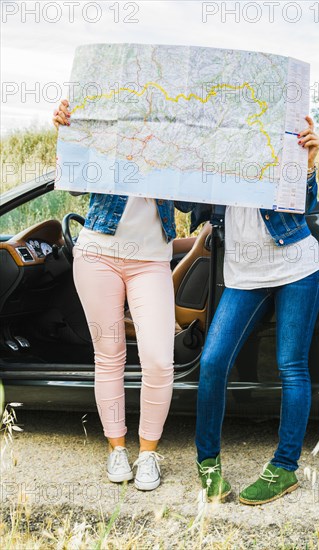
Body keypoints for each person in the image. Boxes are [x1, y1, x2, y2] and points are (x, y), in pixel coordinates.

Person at [53, 99, 194, 491]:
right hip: (97, 254)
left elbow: (188, 202)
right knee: (110, 355)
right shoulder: (107, 132)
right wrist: (68, 133)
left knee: (158, 360)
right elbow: (76, 184)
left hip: (150, 261)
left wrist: (178, 155)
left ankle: (148, 453)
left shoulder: (176, 142)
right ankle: (117, 448)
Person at [195, 115, 319, 505]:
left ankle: (285, 468)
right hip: (244, 275)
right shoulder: (217, 151)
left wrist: (309, 163)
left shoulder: (281, 144)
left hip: (297, 268)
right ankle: (207, 463)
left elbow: (305, 206)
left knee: (291, 365)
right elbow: (189, 204)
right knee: (213, 362)